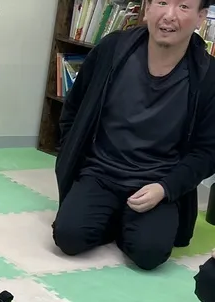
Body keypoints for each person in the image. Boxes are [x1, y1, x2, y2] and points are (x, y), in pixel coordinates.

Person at [53, 0, 215, 271]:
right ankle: (112, 215)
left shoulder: (208, 76)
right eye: (162, 2)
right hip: (100, 172)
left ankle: (125, 219)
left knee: (150, 254)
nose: (169, 15)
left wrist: (165, 188)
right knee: (68, 238)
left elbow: (208, 152)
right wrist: (74, 157)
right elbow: (74, 107)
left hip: (156, 184)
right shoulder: (113, 49)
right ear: (147, 7)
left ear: (200, 17)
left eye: (183, 7)